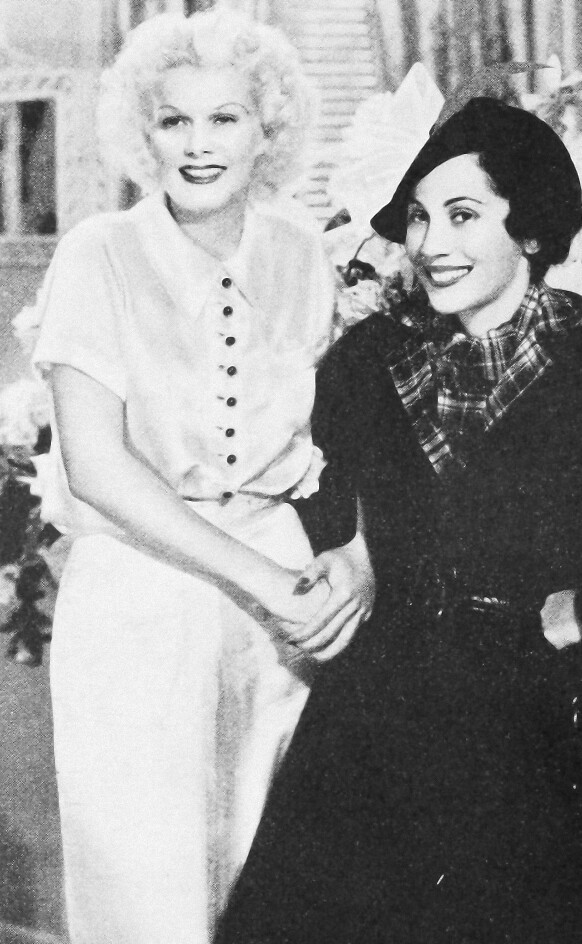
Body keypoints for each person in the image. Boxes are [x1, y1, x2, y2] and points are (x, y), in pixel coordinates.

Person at [32, 10, 373, 944]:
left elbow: (349, 441)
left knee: (269, 881)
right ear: (142, 134)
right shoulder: (98, 253)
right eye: (173, 120)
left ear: (269, 130)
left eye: (225, 118)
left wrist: (355, 560)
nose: (198, 144)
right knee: (146, 891)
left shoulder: (304, 254)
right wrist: (265, 579)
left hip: (283, 606)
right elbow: (97, 467)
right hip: (139, 589)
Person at [216, 97, 582, 944]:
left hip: (538, 728)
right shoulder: (366, 361)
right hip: (377, 720)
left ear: (530, 230)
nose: (430, 243)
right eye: (418, 218)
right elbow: (341, 520)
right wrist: (352, 559)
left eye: (463, 215)